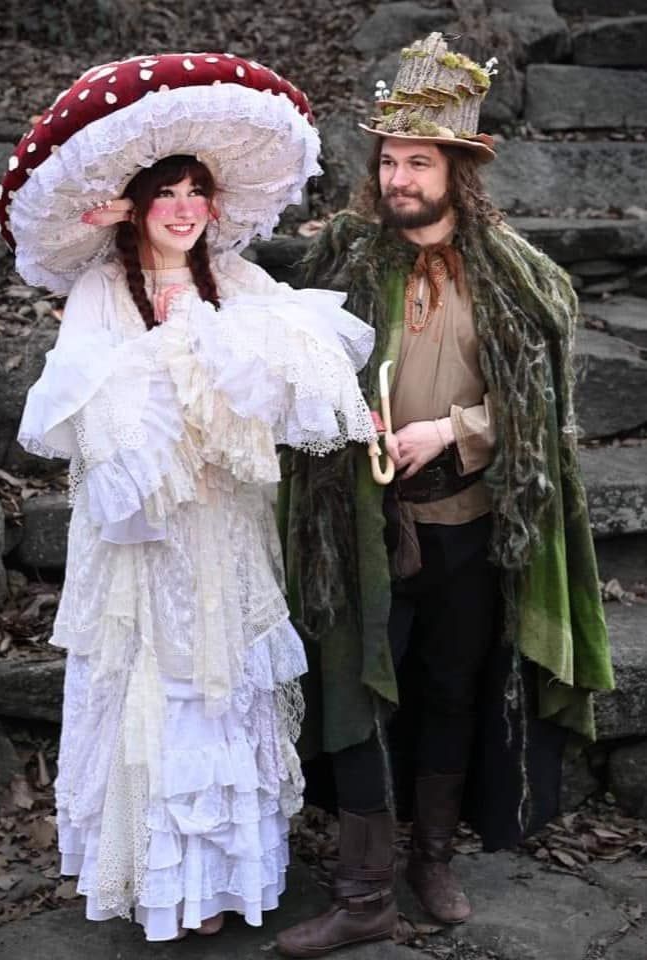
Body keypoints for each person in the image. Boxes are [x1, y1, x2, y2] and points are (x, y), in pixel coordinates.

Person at [0, 53, 378, 942]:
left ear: (214, 205)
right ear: (134, 205)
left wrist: (207, 337)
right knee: (155, 693)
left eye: (195, 191)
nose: (181, 207)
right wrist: (167, 364)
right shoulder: (99, 289)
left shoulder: (236, 283)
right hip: (146, 541)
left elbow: (303, 370)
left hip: (227, 528)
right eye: (162, 191)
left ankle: (225, 881)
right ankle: (165, 887)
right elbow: (90, 410)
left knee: (226, 688)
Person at [276, 33, 614, 957]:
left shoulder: (515, 274)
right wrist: (349, 421)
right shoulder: (344, 259)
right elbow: (293, 362)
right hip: (363, 524)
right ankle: (361, 891)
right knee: (355, 691)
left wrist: (454, 430)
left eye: (419, 162)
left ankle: (432, 858)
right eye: (388, 160)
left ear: (459, 170)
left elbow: (539, 403)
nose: (399, 178)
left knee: (452, 691)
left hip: (468, 527)